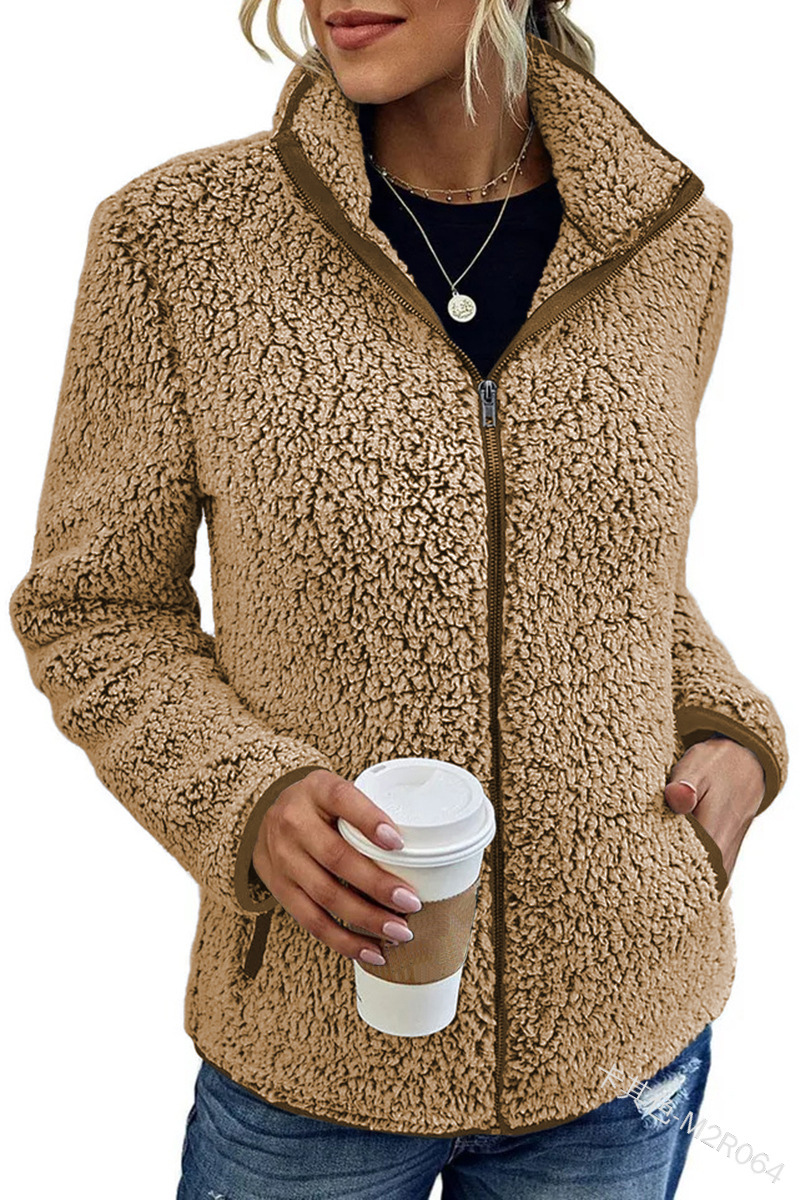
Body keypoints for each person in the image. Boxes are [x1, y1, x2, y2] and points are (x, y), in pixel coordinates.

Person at [8, 1, 789, 1197]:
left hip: (621, 1043)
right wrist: (243, 795)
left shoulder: (672, 243)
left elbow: (615, 570)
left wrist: (730, 727)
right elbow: (94, 608)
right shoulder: (177, 240)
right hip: (313, 1058)